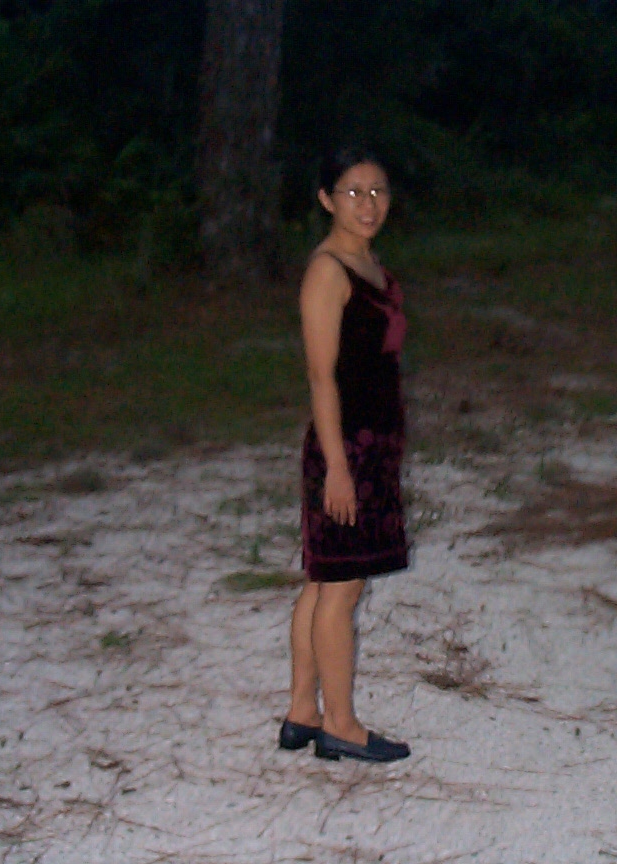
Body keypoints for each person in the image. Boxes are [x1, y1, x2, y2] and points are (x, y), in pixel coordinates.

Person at [279, 147, 411, 763]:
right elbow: (321, 376)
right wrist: (336, 466)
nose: (368, 204)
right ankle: (342, 725)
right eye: (353, 192)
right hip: (346, 447)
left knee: (324, 580)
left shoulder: (369, 263)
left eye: (378, 191)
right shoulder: (328, 271)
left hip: (375, 444)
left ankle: (302, 712)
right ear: (326, 199)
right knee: (342, 589)